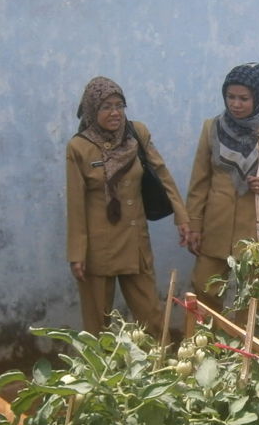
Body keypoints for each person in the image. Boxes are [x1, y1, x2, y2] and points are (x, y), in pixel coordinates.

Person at [65, 76, 188, 336]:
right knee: (97, 326)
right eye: (106, 107)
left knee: (152, 318)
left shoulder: (137, 134)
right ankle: (98, 375)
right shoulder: (79, 147)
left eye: (119, 105)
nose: (114, 113)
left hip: (135, 242)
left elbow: (161, 172)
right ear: (91, 110)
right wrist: (77, 253)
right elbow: (75, 204)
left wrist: (182, 216)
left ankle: (160, 370)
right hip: (98, 250)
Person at [185, 63, 259, 303]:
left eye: (244, 98)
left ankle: (245, 342)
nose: (236, 104)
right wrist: (195, 225)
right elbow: (199, 183)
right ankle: (202, 341)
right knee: (203, 290)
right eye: (230, 97)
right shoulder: (213, 128)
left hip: (256, 233)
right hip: (215, 229)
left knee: (251, 301)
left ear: (257, 98)